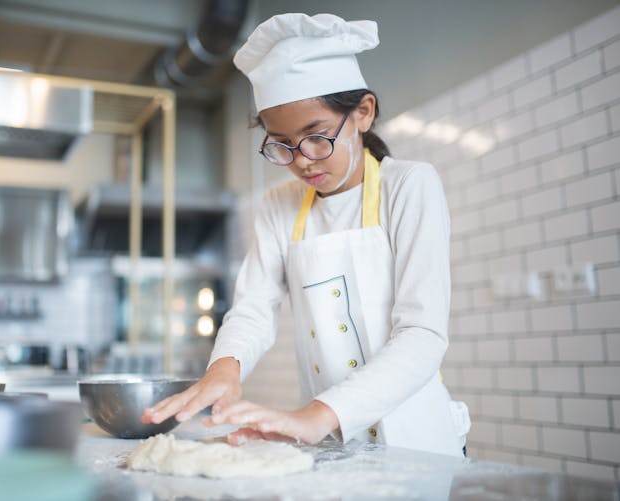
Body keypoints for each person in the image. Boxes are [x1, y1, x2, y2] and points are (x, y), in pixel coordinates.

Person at [142, 12, 471, 457]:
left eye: (317, 137)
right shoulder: (280, 205)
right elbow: (254, 309)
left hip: (417, 441)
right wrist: (224, 367)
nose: (303, 161)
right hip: (333, 444)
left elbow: (421, 333)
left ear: (362, 113)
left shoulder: (410, 186)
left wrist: (315, 416)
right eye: (281, 144)